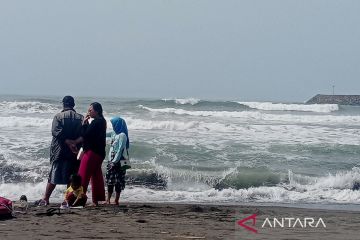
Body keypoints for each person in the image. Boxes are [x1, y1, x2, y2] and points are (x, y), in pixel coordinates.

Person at [36, 96, 83, 206]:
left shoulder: (58, 117)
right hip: (74, 151)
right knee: (71, 177)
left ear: (63, 104)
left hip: (60, 151)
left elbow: (56, 132)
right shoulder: (81, 118)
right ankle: (67, 200)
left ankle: (46, 199)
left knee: (53, 176)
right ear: (73, 105)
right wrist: (74, 143)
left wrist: (68, 142)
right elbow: (84, 134)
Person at [71, 102, 107, 206]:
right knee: (96, 176)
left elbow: (86, 135)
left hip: (92, 152)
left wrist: (84, 124)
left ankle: (78, 198)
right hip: (100, 153)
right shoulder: (102, 121)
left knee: (83, 175)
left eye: (90, 110)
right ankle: (97, 200)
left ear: (97, 111)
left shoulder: (96, 122)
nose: (88, 112)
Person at [105, 117, 130, 205]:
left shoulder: (123, 135)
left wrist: (114, 162)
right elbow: (104, 134)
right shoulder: (114, 133)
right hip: (111, 160)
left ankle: (116, 200)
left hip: (119, 161)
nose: (113, 126)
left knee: (118, 181)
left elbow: (120, 150)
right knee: (110, 180)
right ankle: (107, 200)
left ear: (118, 125)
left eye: (114, 125)